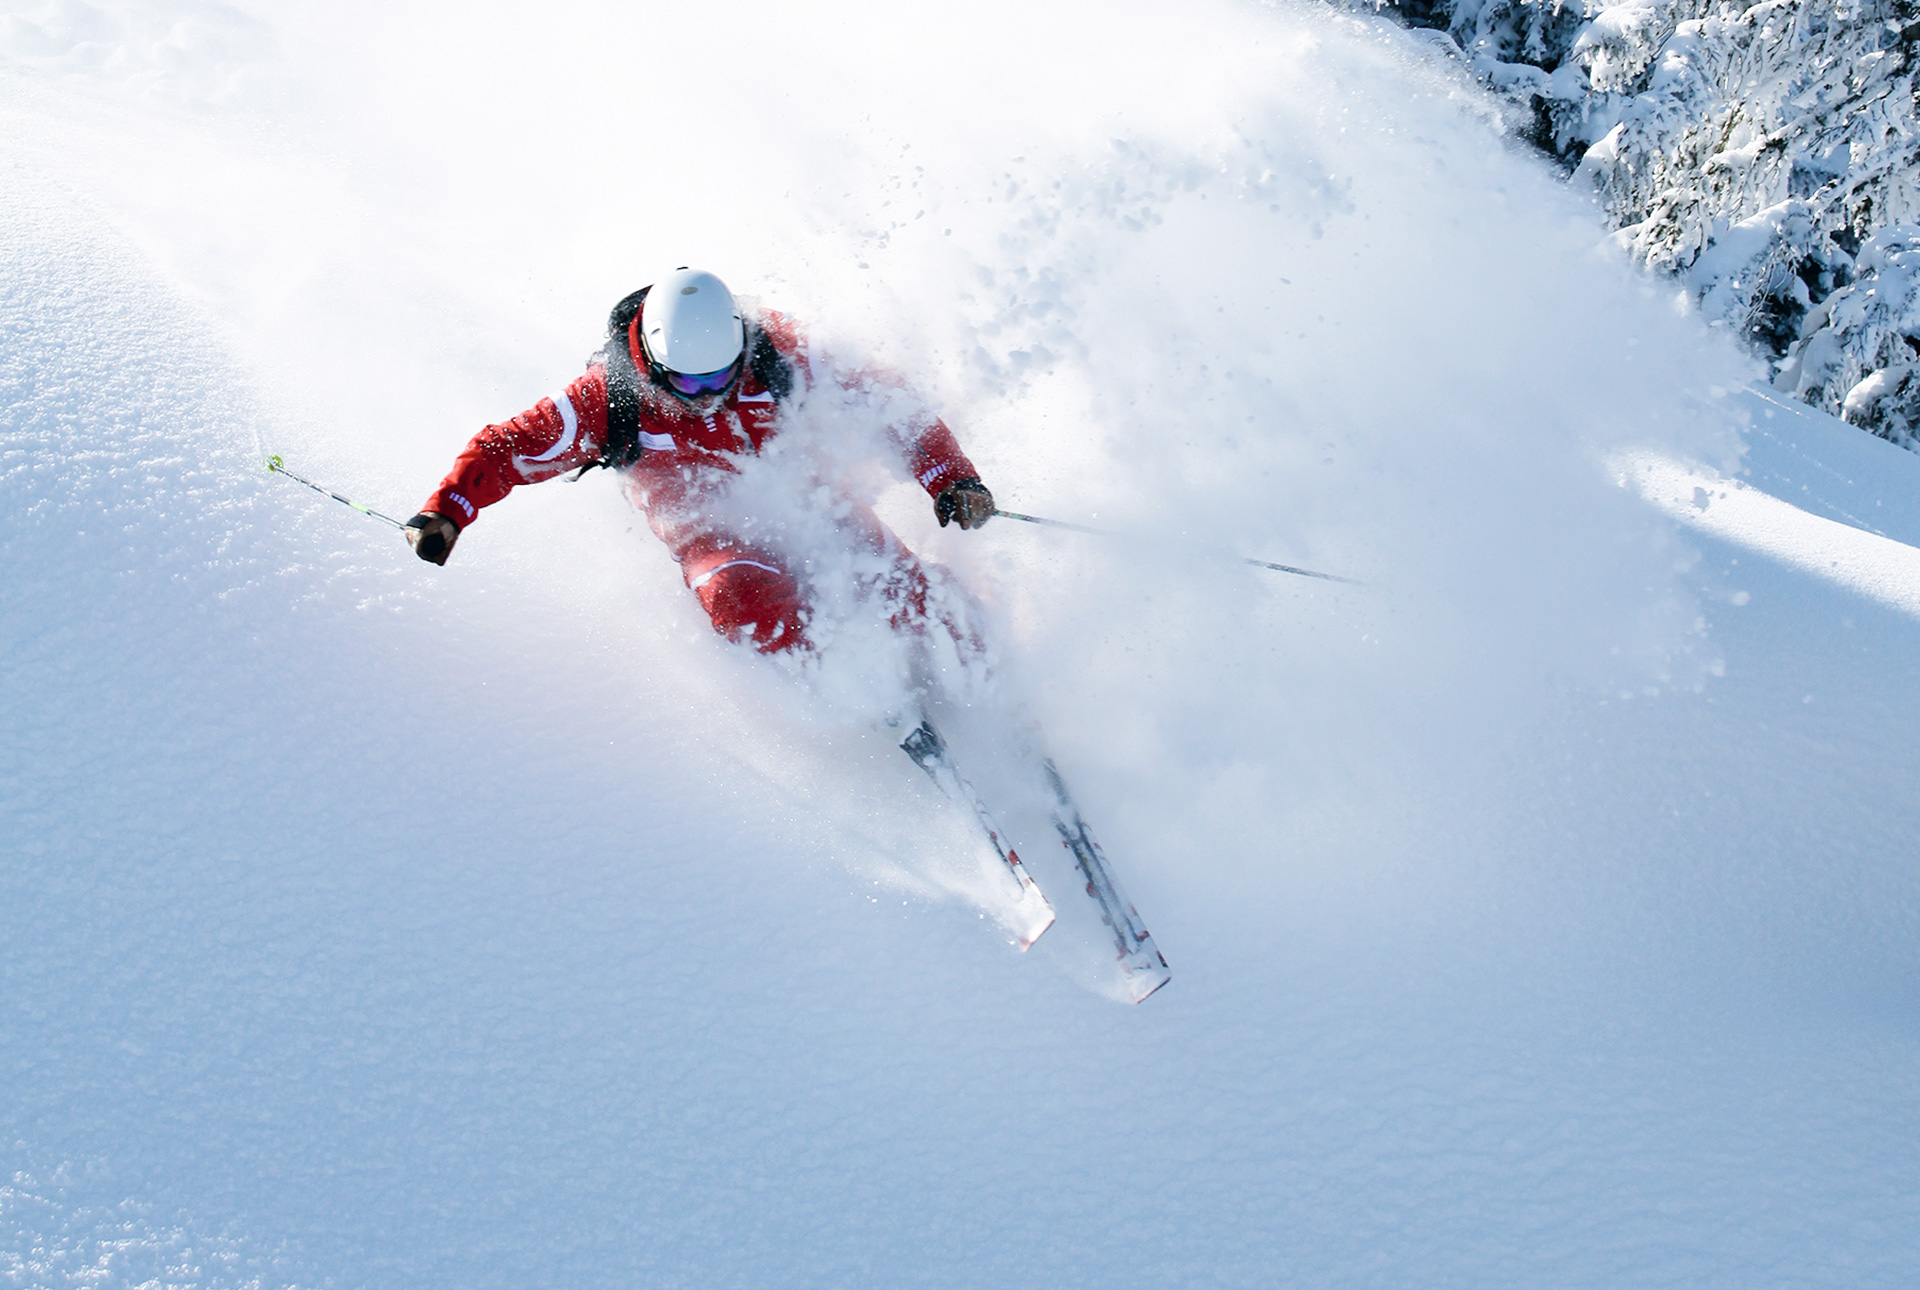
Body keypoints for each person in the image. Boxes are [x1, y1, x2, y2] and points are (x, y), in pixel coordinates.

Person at [406, 268, 995, 658]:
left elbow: (886, 402)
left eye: (722, 372)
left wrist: (952, 478)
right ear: (654, 360)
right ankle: (859, 685)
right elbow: (503, 450)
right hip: (716, 537)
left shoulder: (778, 351)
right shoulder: (607, 400)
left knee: (919, 596)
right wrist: (446, 513)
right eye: (691, 378)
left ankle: (983, 673)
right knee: (743, 600)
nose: (711, 390)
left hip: (814, 506)